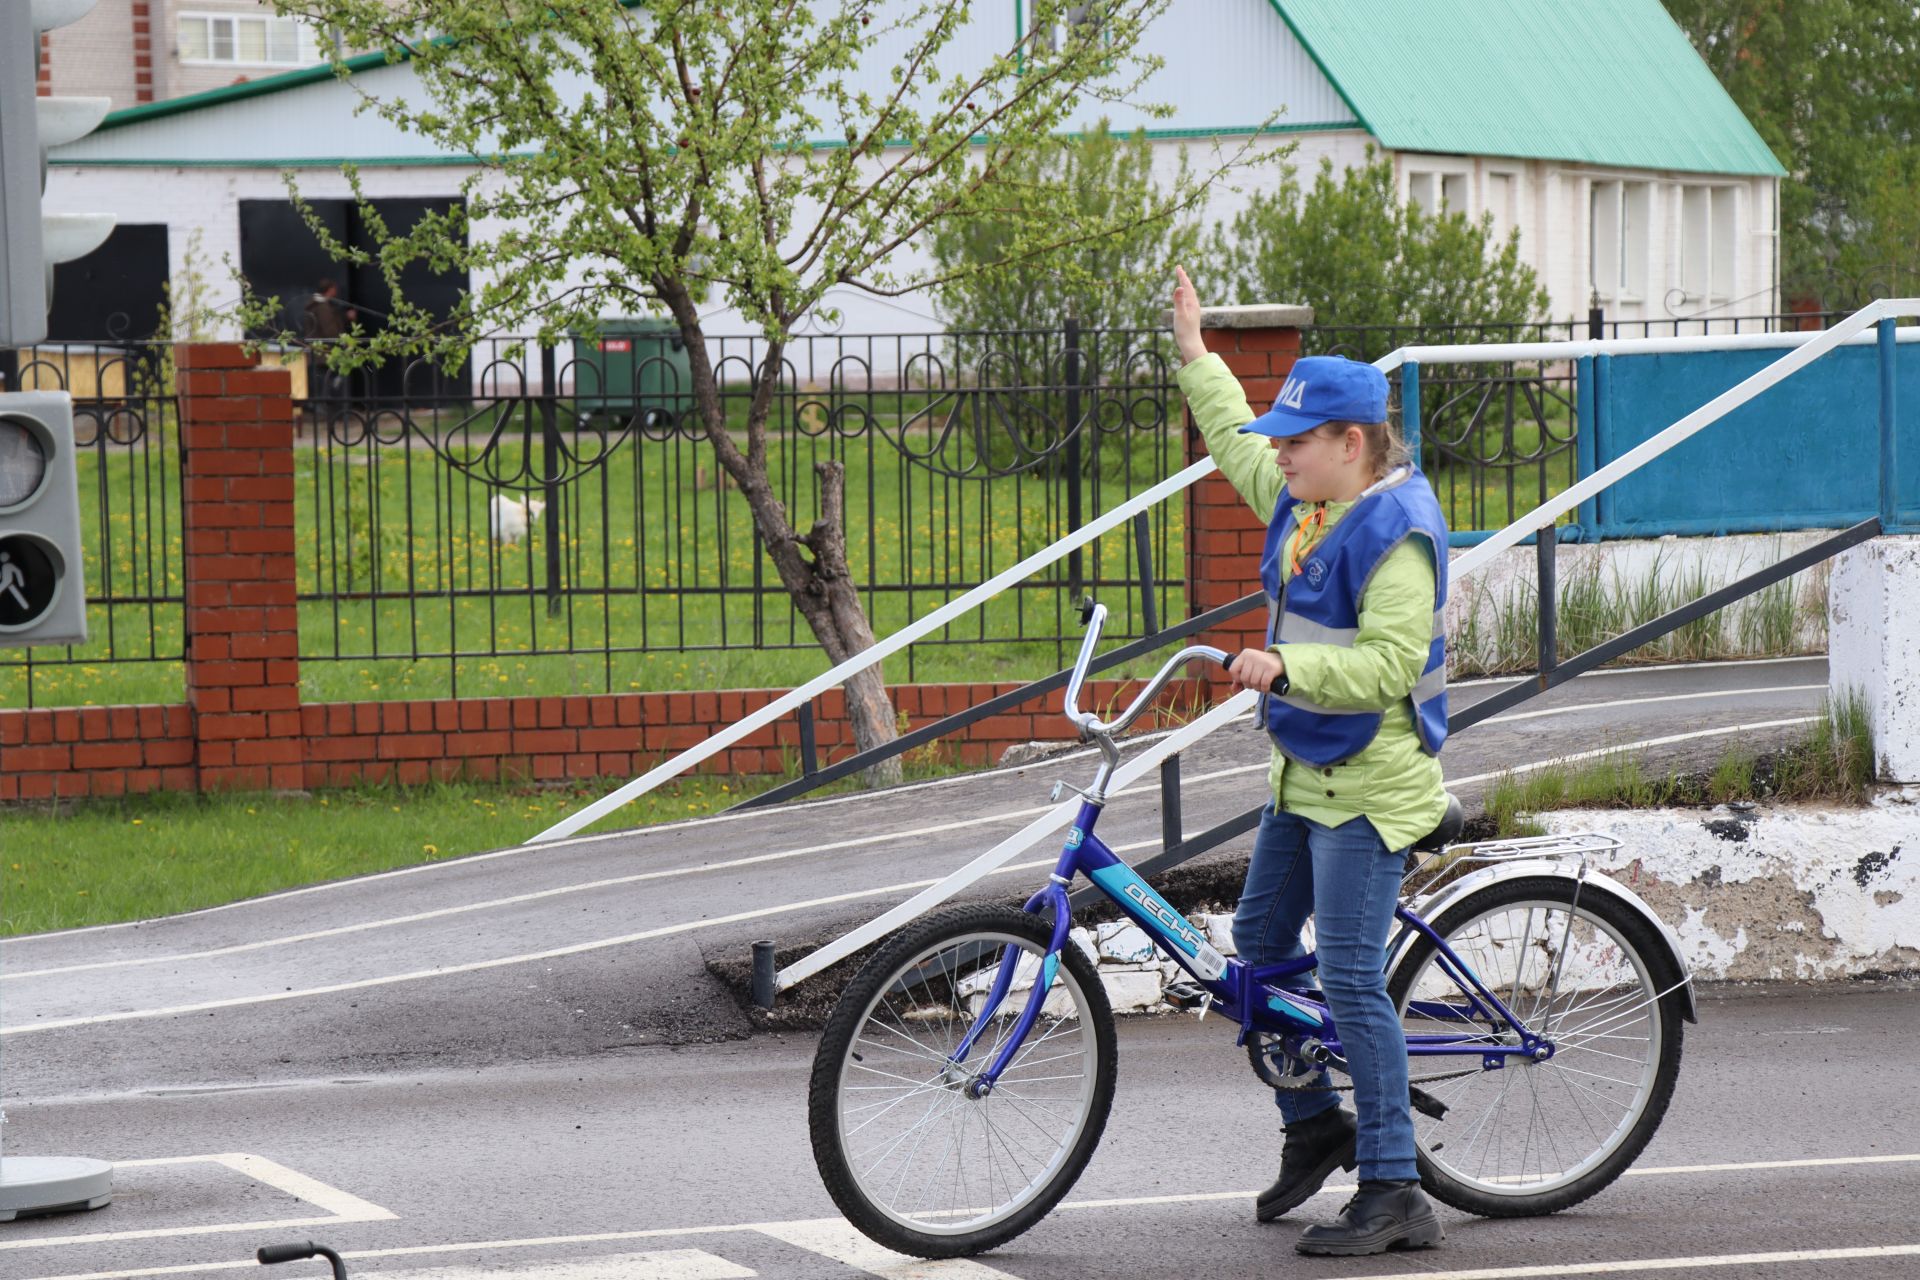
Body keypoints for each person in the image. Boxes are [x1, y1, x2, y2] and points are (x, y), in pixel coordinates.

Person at [1171, 266, 1449, 1257]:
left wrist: (1286, 660)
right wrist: (1199, 355)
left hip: (1372, 787)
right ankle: (1314, 1125)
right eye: (1281, 437)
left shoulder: (1398, 534)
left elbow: (1386, 665)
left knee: (1346, 975)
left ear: (1353, 443)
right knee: (1253, 956)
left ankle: (1395, 1183)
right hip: (1302, 774)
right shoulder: (1303, 502)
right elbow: (1234, 441)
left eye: (1298, 437)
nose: (1277, 450)